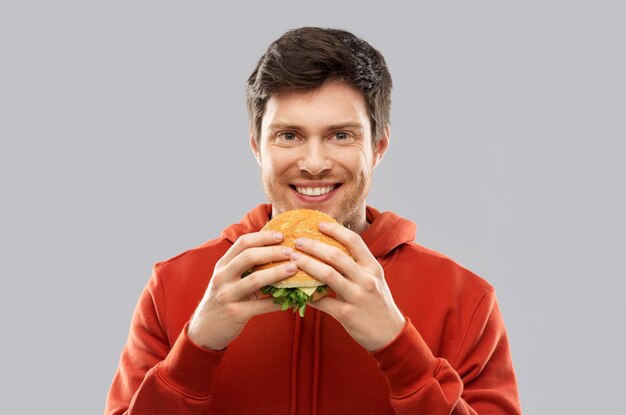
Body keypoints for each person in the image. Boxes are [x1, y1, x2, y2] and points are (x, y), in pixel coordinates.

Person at [104, 27, 522, 414]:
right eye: (289, 136)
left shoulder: (464, 298)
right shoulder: (173, 286)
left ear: (378, 147)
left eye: (341, 135)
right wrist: (195, 348)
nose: (314, 163)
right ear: (256, 146)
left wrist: (398, 348)